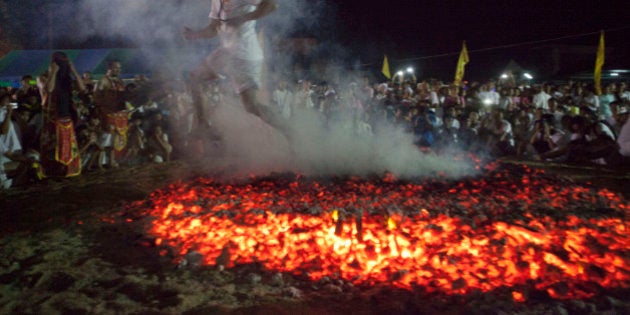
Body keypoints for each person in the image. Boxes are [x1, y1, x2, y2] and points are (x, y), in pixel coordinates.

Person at [183, 0, 289, 140]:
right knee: (194, 79)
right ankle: (203, 126)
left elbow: (271, 5)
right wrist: (195, 34)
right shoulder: (216, 1)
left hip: (245, 55)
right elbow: (214, 28)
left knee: (251, 106)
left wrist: (244, 17)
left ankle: (290, 133)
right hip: (229, 52)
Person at [39, 51, 85, 178]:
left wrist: (74, 70)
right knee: (54, 146)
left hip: (67, 117)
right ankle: (52, 171)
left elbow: (82, 88)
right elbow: (49, 90)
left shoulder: (66, 80)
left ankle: (67, 170)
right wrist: (53, 72)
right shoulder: (42, 77)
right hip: (52, 118)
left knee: (67, 146)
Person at [93, 60, 127, 168]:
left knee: (115, 139)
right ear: (109, 68)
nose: (118, 70)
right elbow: (96, 98)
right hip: (107, 114)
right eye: (115, 68)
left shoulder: (120, 81)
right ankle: (99, 164)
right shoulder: (102, 81)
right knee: (105, 138)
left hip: (119, 114)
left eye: (119, 68)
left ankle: (111, 161)